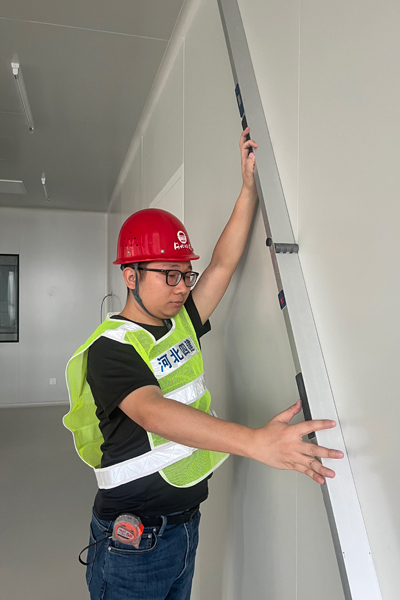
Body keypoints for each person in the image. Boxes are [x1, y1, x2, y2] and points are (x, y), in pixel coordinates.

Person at [64, 128, 343, 600]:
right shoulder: (110, 348)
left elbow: (222, 265)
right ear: (130, 275)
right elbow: (153, 412)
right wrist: (255, 442)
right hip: (133, 543)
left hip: (183, 529)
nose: (182, 287)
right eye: (169, 275)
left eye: (184, 274)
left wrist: (248, 188)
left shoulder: (181, 323)